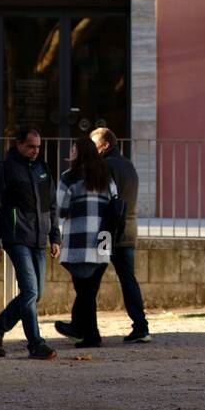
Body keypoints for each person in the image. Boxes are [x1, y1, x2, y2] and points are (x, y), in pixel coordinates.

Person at [0, 125, 59, 361]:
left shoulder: (43, 170)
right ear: (19, 144)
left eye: (38, 147)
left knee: (36, 294)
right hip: (16, 238)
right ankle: (35, 344)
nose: (35, 151)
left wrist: (55, 237)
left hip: (39, 239)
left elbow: (52, 206)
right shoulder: (5, 170)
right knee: (30, 290)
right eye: (30, 147)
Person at [56, 138, 117, 348]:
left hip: (79, 242)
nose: (70, 152)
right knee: (89, 291)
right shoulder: (106, 177)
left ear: (79, 153)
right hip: (103, 240)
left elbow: (61, 209)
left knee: (84, 291)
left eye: (73, 149)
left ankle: (87, 333)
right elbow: (115, 203)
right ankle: (85, 330)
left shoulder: (69, 178)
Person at [91, 128, 149, 342]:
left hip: (109, 232)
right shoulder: (128, 165)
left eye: (93, 145)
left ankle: (83, 326)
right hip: (128, 230)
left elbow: (100, 199)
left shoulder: (105, 166)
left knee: (90, 279)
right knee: (128, 279)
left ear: (105, 145)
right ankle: (141, 327)